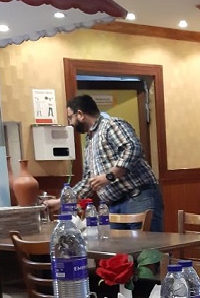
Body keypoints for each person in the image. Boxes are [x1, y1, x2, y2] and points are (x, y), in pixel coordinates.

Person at [65, 94, 164, 231]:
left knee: (146, 245)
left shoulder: (111, 125)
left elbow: (133, 148)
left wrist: (109, 176)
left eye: (70, 117)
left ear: (80, 114)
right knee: (116, 245)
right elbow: (89, 181)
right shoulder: (90, 141)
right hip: (113, 206)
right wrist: (63, 200)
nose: (70, 123)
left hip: (137, 198)